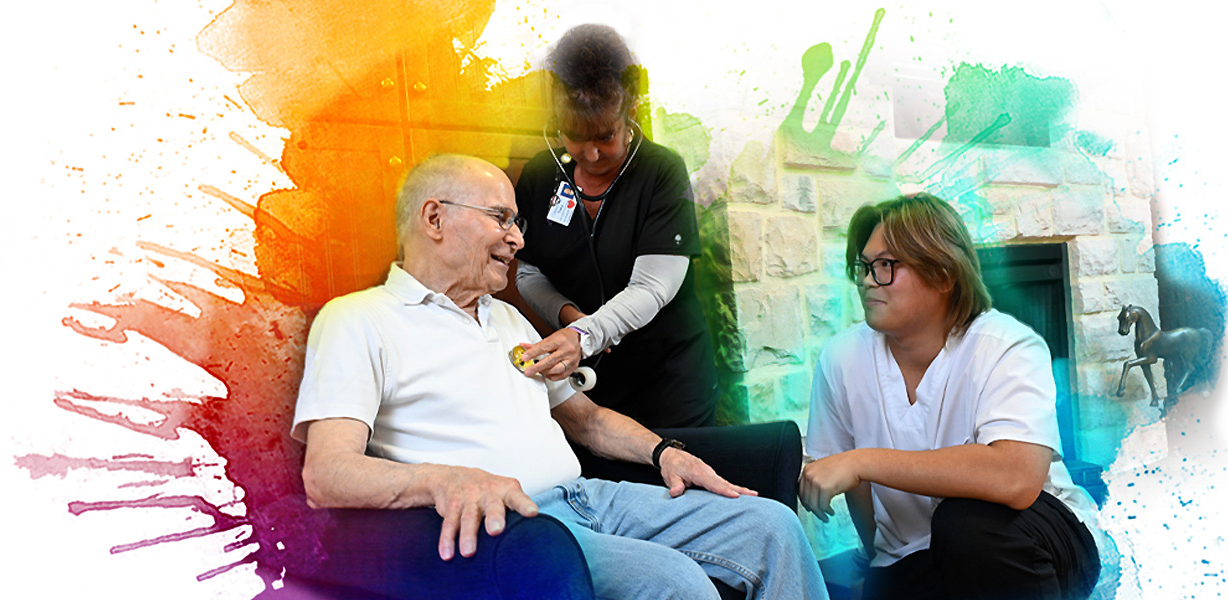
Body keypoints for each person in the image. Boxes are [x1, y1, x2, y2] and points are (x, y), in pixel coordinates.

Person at [292, 154, 828, 600]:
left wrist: (666, 452)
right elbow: (326, 473)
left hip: (591, 496)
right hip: (525, 531)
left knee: (772, 526)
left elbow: (587, 421)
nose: (518, 240)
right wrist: (445, 479)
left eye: (517, 223)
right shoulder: (358, 319)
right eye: (501, 219)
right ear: (434, 218)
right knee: (675, 584)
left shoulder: (504, 317)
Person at [800, 194, 1102, 600]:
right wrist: (879, 557)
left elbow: (1017, 477)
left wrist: (862, 461)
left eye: (886, 266)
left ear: (943, 275)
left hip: (1038, 539)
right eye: (864, 266)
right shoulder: (841, 358)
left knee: (966, 524)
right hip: (917, 553)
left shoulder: (1007, 345)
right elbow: (857, 495)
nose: (869, 280)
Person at [511, 24, 718, 429]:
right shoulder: (540, 174)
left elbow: (653, 287)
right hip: (591, 384)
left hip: (667, 379)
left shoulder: (661, 171)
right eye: (575, 136)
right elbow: (529, 271)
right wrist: (570, 318)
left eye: (605, 136)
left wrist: (584, 335)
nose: (591, 153)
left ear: (632, 112)